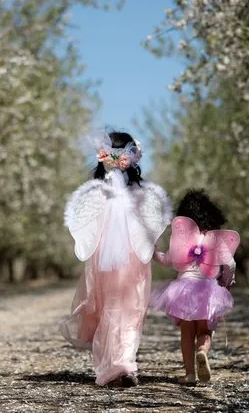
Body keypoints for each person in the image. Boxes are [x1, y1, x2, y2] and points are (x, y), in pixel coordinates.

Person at [60, 129, 172, 387]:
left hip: (103, 263)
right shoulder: (140, 193)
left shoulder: (98, 193)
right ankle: (124, 365)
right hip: (134, 262)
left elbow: (85, 225)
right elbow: (150, 224)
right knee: (130, 311)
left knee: (109, 310)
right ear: (133, 158)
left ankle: (113, 366)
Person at [151, 190, 239, 385]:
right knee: (205, 332)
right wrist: (226, 283)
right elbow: (230, 264)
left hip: (183, 289)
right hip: (208, 290)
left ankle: (190, 374)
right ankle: (202, 352)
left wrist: (153, 251)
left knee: (186, 333)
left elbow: (167, 261)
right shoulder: (215, 239)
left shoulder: (181, 238)